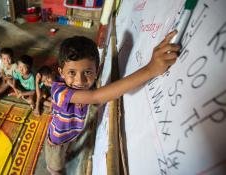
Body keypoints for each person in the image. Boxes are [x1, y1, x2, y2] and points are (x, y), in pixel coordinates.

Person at [45, 32, 180, 174]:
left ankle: (67, 151)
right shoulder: (58, 90)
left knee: (70, 146)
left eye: (87, 72)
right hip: (57, 141)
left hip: (72, 132)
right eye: (72, 72)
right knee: (57, 165)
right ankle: (54, 170)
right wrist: (150, 69)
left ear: (96, 71)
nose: (80, 81)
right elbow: (95, 97)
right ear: (61, 72)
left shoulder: (80, 83)